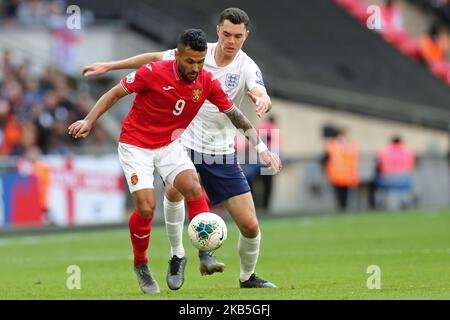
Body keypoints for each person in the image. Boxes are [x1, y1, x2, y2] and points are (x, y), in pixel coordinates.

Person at [69, 28, 281, 294]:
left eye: (200, 62)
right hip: (136, 145)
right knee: (146, 208)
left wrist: (261, 149)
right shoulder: (153, 72)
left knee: (192, 185)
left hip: (169, 144)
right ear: (178, 56)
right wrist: (88, 121)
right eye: (190, 61)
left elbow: (235, 115)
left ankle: (204, 255)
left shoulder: (206, 81)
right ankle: (141, 264)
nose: (195, 68)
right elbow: (114, 94)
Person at [323, 128, 359, 211]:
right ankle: (342, 207)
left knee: (345, 192)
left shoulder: (349, 145)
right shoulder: (333, 145)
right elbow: (327, 158)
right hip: (337, 173)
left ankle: (343, 207)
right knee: (339, 192)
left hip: (346, 174)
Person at [375, 136, 415, 210]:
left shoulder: (384, 151)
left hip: (388, 178)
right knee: (406, 187)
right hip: (404, 178)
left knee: (378, 184)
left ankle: (380, 204)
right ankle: (406, 203)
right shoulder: (407, 151)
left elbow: (379, 165)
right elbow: (411, 165)